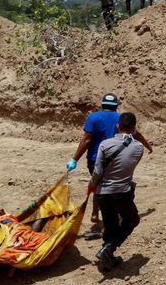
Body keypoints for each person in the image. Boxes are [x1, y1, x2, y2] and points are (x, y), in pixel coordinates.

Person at [65, 93, 152, 240]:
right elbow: (137, 135)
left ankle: (95, 214)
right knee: (107, 189)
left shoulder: (93, 117)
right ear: (116, 105)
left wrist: (74, 159)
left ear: (102, 104)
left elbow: (86, 140)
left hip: (95, 159)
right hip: (116, 159)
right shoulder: (121, 119)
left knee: (99, 185)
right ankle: (105, 223)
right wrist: (148, 146)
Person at [90, 112, 145, 271]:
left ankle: (108, 258)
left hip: (102, 193)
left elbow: (98, 171)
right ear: (134, 128)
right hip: (122, 192)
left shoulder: (104, 144)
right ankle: (108, 250)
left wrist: (93, 185)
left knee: (110, 224)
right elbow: (129, 167)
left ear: (117, 126)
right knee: (132, 220)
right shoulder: (138, 148)